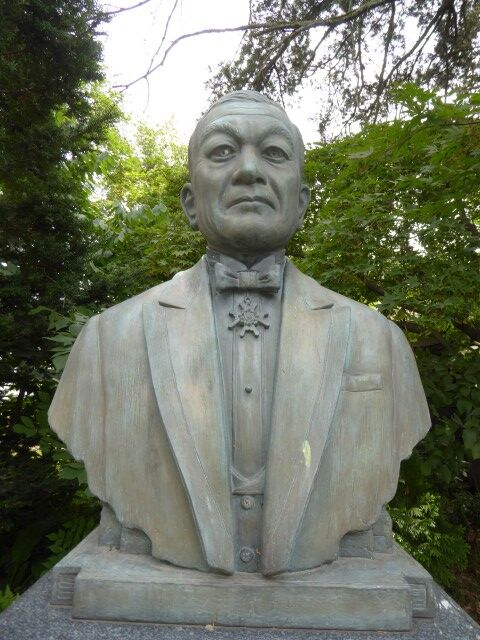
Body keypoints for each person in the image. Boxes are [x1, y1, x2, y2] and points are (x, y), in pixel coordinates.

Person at [48, 91, 430, 577]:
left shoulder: (382, 343)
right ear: (190, 202)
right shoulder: (105, 343)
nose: (250, 170)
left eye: (274, 152)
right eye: (223, 151)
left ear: (302, 203)